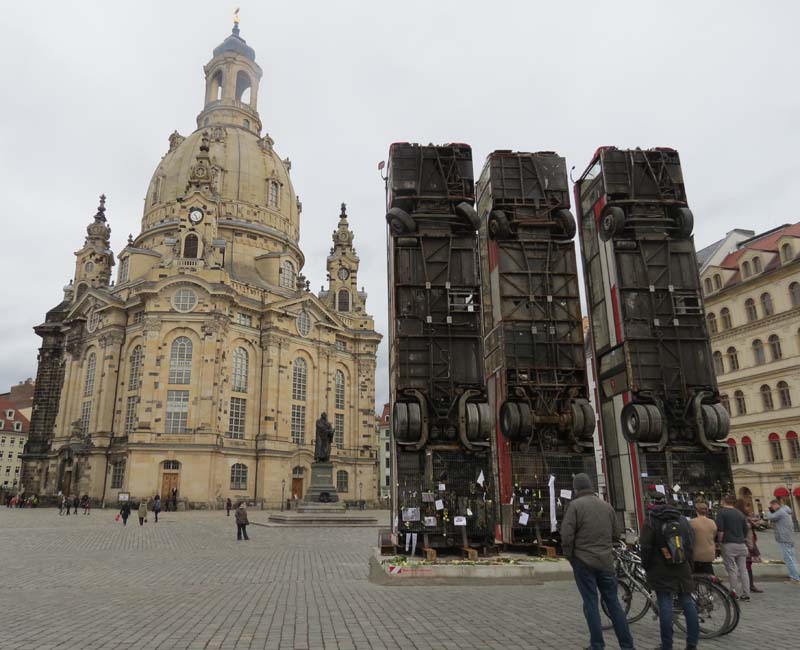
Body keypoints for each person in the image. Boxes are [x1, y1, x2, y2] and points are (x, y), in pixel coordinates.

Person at [560, 473, 635, 650]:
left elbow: (566, 535)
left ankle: (597, 645)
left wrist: (570, 556)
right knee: (613, 604)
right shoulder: (606, 507)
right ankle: (627, 645)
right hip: (605, 562)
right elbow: (616, 534)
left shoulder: (575, 506)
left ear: (576, 488)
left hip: (583, 561)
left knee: (591, 604)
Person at [640, 490, 699, 650]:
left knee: (665, 604)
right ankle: (692, 643)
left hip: (660, 569)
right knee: (687, 602)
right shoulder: (681, 518)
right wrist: (687, 561)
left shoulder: (650, 521)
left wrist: (646, 566)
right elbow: (691, 540)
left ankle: (667, 645)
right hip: (681, 565)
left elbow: (645, 548)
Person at [715, 494, 750, 600]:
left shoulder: (721, 512)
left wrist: (719, 542)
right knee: (743, 569)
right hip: (741, 544)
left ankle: (733, 591)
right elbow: (746, 528)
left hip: (728, 543)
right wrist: (742, 538)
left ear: (724, 501)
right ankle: (746, 593)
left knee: (731, 569)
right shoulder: (740, 513)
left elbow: (720, 530)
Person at [766, 498, 800, 583]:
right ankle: (796, 576)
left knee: (788, 559)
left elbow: (770, 517)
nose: (771, 508)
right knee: (792, 558)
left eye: (772, 506)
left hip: (784, 539)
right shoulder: (785, 510)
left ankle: (795, 578)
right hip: (789, 538)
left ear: (775, 505)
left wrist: (769, 511)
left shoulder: (780, 513)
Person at [735, 499, 762, 593]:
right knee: (746, 565)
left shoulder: (746, 516)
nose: (748, 508)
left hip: (750, 541)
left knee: (748, 564)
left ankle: (749, 584)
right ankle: (749, 585)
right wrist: (751, 523)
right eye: (746, 506)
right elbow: (744, 529)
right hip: (746, 542)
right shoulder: (741, 517)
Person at [689, 502, 717, 575]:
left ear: (696, 510)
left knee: (695, 576)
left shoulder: (692, 522)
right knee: (709, 573)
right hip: (710, 553)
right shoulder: (712, 522)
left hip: (697, 554)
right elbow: (714, 535)